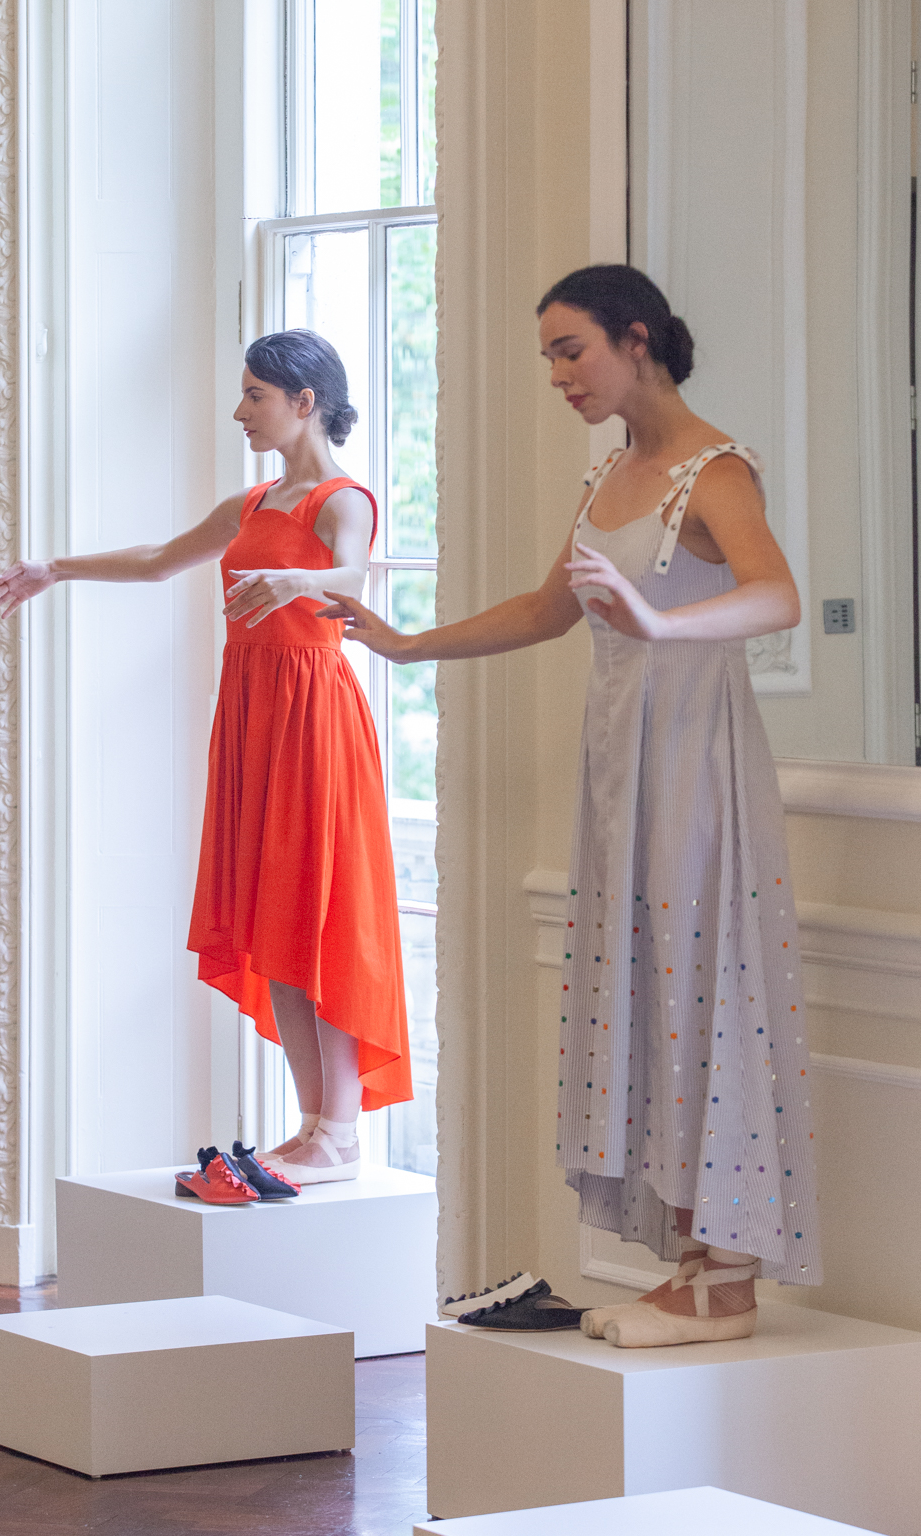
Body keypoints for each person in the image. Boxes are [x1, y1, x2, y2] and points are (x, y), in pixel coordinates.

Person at [319, 265, 821, 1343]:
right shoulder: (610, 475)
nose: (557, 375)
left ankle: (727, 1275)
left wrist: (660, 622)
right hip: (619, 775)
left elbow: (776, 593)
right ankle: (695, 1261)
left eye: (569, 349)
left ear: (635, 339)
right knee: (648, 994)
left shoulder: (714, 469)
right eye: (549, 355)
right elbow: (549, 609)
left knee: (696, 990)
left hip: (694, 769)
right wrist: (406, 645)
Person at [0, 328, 412, 1185]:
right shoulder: (251, 505)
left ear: (305, 402)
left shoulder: (343, 499)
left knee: (318, 909)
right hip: (254, 715)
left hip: (313, 718)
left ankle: (342, 1132)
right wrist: (52, 568)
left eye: (255, 395)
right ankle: (315, 1125)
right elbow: (157, 562)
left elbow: (353, 579)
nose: (239, 411)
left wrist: (297, 583)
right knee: (271, 914)